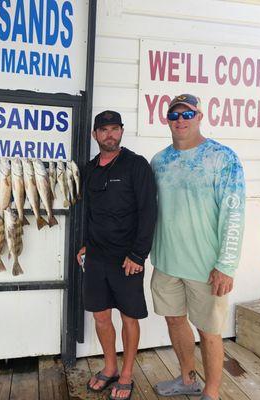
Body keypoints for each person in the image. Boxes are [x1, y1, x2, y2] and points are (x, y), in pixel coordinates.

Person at [150, 94, 245, 400]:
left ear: (200, 116)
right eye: (174, 115)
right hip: (166, 262)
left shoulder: (223, 158)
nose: (180, 120)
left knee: (209, 331)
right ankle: (187, 379)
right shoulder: (159, 161)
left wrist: (226, 266)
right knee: (175, 320)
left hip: (207, 267)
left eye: (187, 114)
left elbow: (234, 214)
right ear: (167, 120)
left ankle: (212, 393)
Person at [77, 110, 157, 400]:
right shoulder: (89, 169)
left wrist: (138, 255)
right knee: (100, 316)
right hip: (96, 257)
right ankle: (110, 367)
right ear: (95, 135)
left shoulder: (136, 166)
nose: (109, 134)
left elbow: (149, 212)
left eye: (114, 129)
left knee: (128, 318)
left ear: (121, 132)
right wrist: (85, 244)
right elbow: (88, 211)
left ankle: (126, 373)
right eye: (104, 130)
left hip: (127, 259)